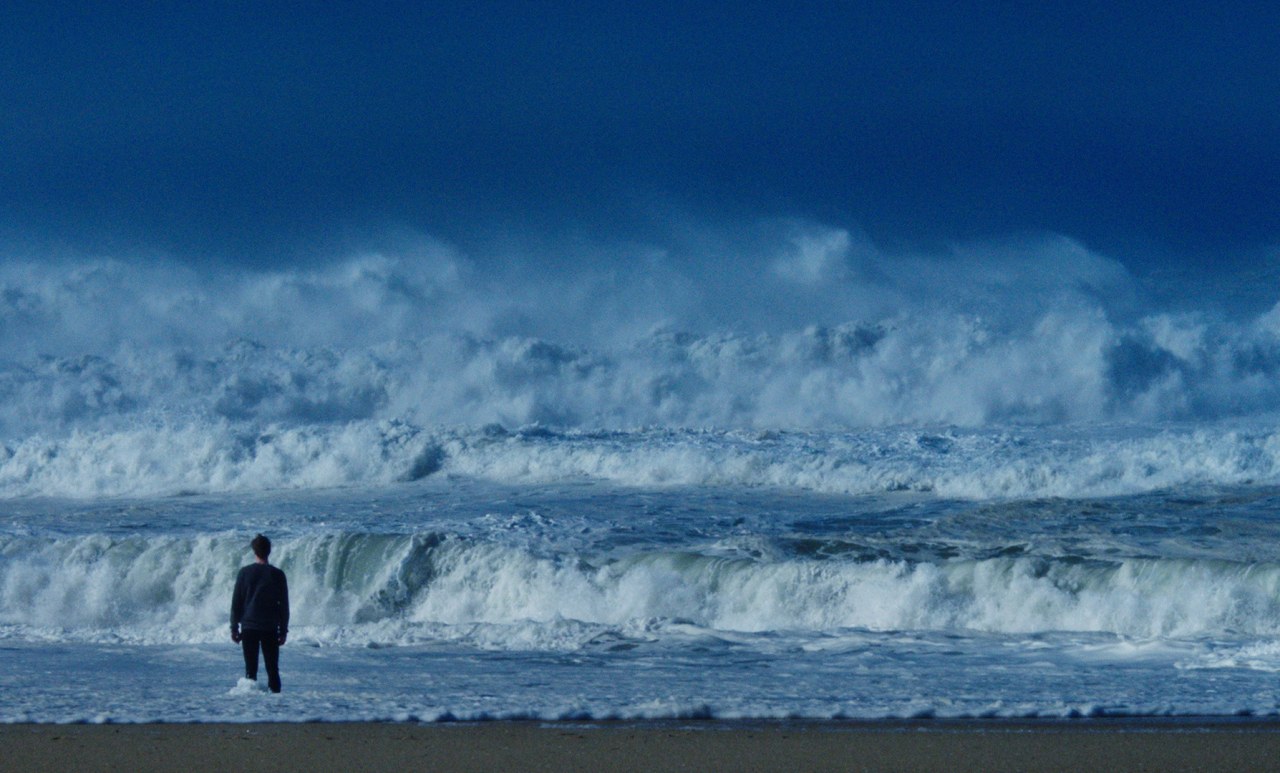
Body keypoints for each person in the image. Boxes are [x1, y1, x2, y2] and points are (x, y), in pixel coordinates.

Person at [230, 533, 290, 693]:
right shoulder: (278, 574)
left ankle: (252, 710)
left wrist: (234, 628)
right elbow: (284, 605)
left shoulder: (244, 573)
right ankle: (278, 707)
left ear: (254, 552)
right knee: (273, 670)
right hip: (270, 628)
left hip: (249, 627)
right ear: (269, 551)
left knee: (250, 671)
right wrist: (283, 630)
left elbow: (236, 603)